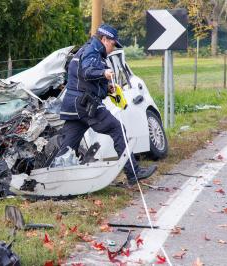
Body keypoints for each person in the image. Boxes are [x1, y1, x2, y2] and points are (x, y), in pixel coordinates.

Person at [57, 24, 157, 186]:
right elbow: (87, 71)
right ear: (104, 39)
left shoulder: (87, 50)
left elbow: (83, 78)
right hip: (86, 104)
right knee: (117, 128)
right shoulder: (93, 51)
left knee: (68, 146)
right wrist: (103, 73)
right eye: (112, 44)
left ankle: (57, 181)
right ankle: (133, 173)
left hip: (73, 105)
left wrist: (106, 87)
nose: (112, 48)